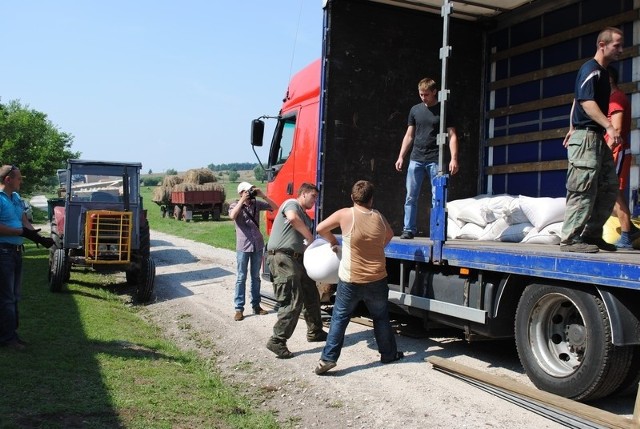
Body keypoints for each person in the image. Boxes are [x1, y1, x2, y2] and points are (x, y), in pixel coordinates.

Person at [313, 180, 402, 375]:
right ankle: (388, 354)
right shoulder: (378, 216)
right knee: (381, 317)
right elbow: (389, 235)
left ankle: (328, 359)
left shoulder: (346, 214)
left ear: (352, 198)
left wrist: (333, 242)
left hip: (351, 279)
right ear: (372, 199)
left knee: (339, 318)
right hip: (378, 278)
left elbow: (320, 228)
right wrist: (376, 249)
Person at [560, 27, 625, 253]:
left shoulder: (603, 74)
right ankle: (570, 239)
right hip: (587, 138)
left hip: (595, 138)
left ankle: (592, 234)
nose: (621, 50)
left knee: (608, 187)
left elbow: (576, 100)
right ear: (602, 45)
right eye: (617, 45)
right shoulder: (591, 69)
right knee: (583, 188)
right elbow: (585, 102)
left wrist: (571, 126)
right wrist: (608, 125)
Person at [265, 183, 327, 359]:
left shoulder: (306, 217)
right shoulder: (292, 204)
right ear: (304, 193)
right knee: (292, 300)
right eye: (313, 196)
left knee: (311, 295)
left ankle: (315, 331)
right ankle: (277, 340)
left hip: (298, 260)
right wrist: (309, 235)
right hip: (283, 258)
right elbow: (292, 218)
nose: (315, 200)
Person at [395, 77, 459, 239]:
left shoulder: (444, 109)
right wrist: (401, 156)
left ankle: (436, 232)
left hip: (435, 159)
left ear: (434, 92)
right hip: (416, 158)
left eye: (426, 95)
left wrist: (454, 158)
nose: (423, 97)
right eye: (421, 94)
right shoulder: (415, 110)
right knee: (411, 196)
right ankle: (408, 229)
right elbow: (409, 135)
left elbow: (452, 135)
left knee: (436, 197)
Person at [0, 165, 53, 350]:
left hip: (15, 251)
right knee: (6, 297)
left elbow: (24, 221)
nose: (21, 181)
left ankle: (11, 334)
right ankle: (7, 339)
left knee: (14, 296)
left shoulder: (15, 198)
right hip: (3, 251)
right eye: (18, 178)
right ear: (8, 179)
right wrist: (18, 231)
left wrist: (38, 237)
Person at [228, 181, 278, 321]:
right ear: (241, 192)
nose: (250, 193)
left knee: (255, 277)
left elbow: (276, 208)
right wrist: (242, 200)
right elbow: (232, 216)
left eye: (251, 190)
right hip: (243, 246)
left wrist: (263, 196)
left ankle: (256, 305)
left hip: (257, 245)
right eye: (247, 191)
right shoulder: (234, 205)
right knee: (241, 277)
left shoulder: (257, 204)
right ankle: (239, 309)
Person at [605, 66, 640, 248]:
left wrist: (605, 153)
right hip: (614, 150)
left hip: (616, 150)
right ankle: (630, 230)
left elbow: (616, 130)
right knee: (610, 193)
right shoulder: (611, 99)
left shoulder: (616, 98)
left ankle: (627, 234)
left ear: (609, 78)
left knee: (614, 192)